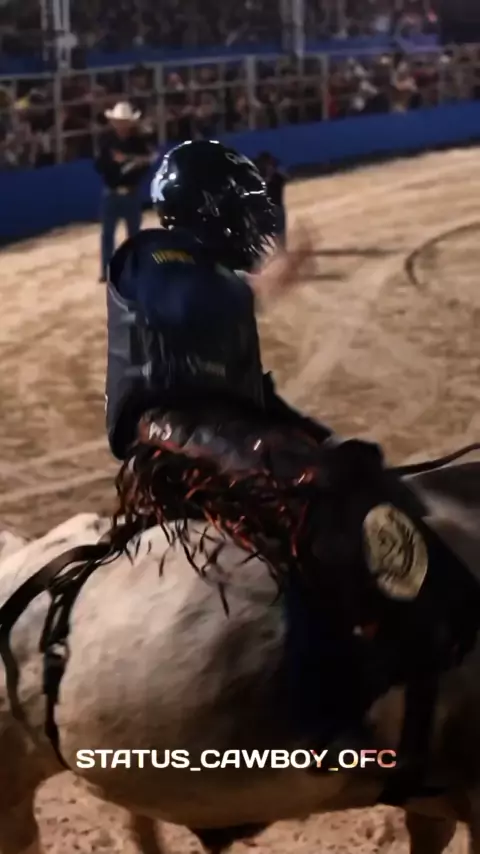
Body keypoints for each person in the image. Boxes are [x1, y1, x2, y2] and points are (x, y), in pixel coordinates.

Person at [105, 139, 331, 463]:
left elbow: (248, 393)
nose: (249, 221)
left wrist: (323, 442)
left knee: (340, 462)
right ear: (208, 210)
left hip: (224, 425)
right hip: (164, 434)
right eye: (239, 208)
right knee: (280, 468)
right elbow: (186, 304)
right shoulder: (152, 253)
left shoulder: (214, 273)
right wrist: (258, 286)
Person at [95, 101, 156, 283]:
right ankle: (107, 271)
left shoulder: (138, 142)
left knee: (134, 235)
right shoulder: (106, 141)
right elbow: (99, 166)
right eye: (119, 122)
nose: (122, 125)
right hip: (112, 192)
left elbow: (148, 162)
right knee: (107, 234)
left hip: (131, 192)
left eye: (124, 122)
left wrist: (130, 162)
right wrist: (115, 164)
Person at [256, 151, 287, 248]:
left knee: (279, 231)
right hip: (267, 208)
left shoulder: (277, 177)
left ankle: (281, 249)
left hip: (276, 207)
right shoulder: (262, 177)